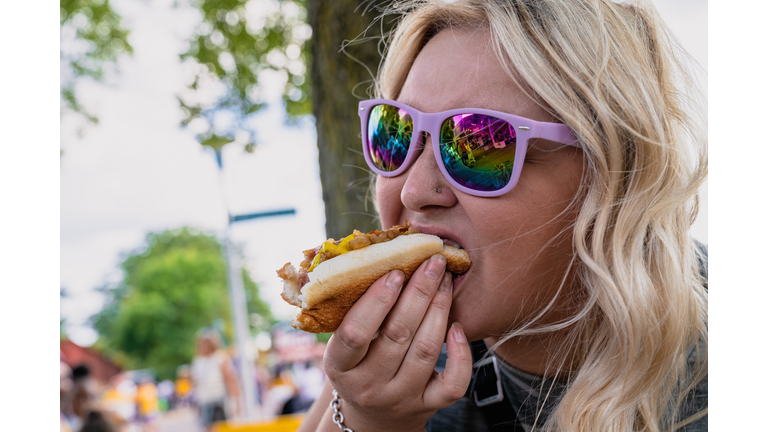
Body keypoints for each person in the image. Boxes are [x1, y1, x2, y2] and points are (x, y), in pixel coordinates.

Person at [298, 1, 707, 431]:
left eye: (479, 143)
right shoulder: (383, 362)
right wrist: (368, 422)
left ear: (613, 177)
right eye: (396, 132)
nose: (415, 190)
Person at [191, 328, 241, 431]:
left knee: (220, 427)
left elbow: (230, 379)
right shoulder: (198, 361)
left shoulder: (220, 357)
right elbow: (195, 383)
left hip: (218, 399)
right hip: (204, 400)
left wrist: (236, 400)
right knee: (208, 427)